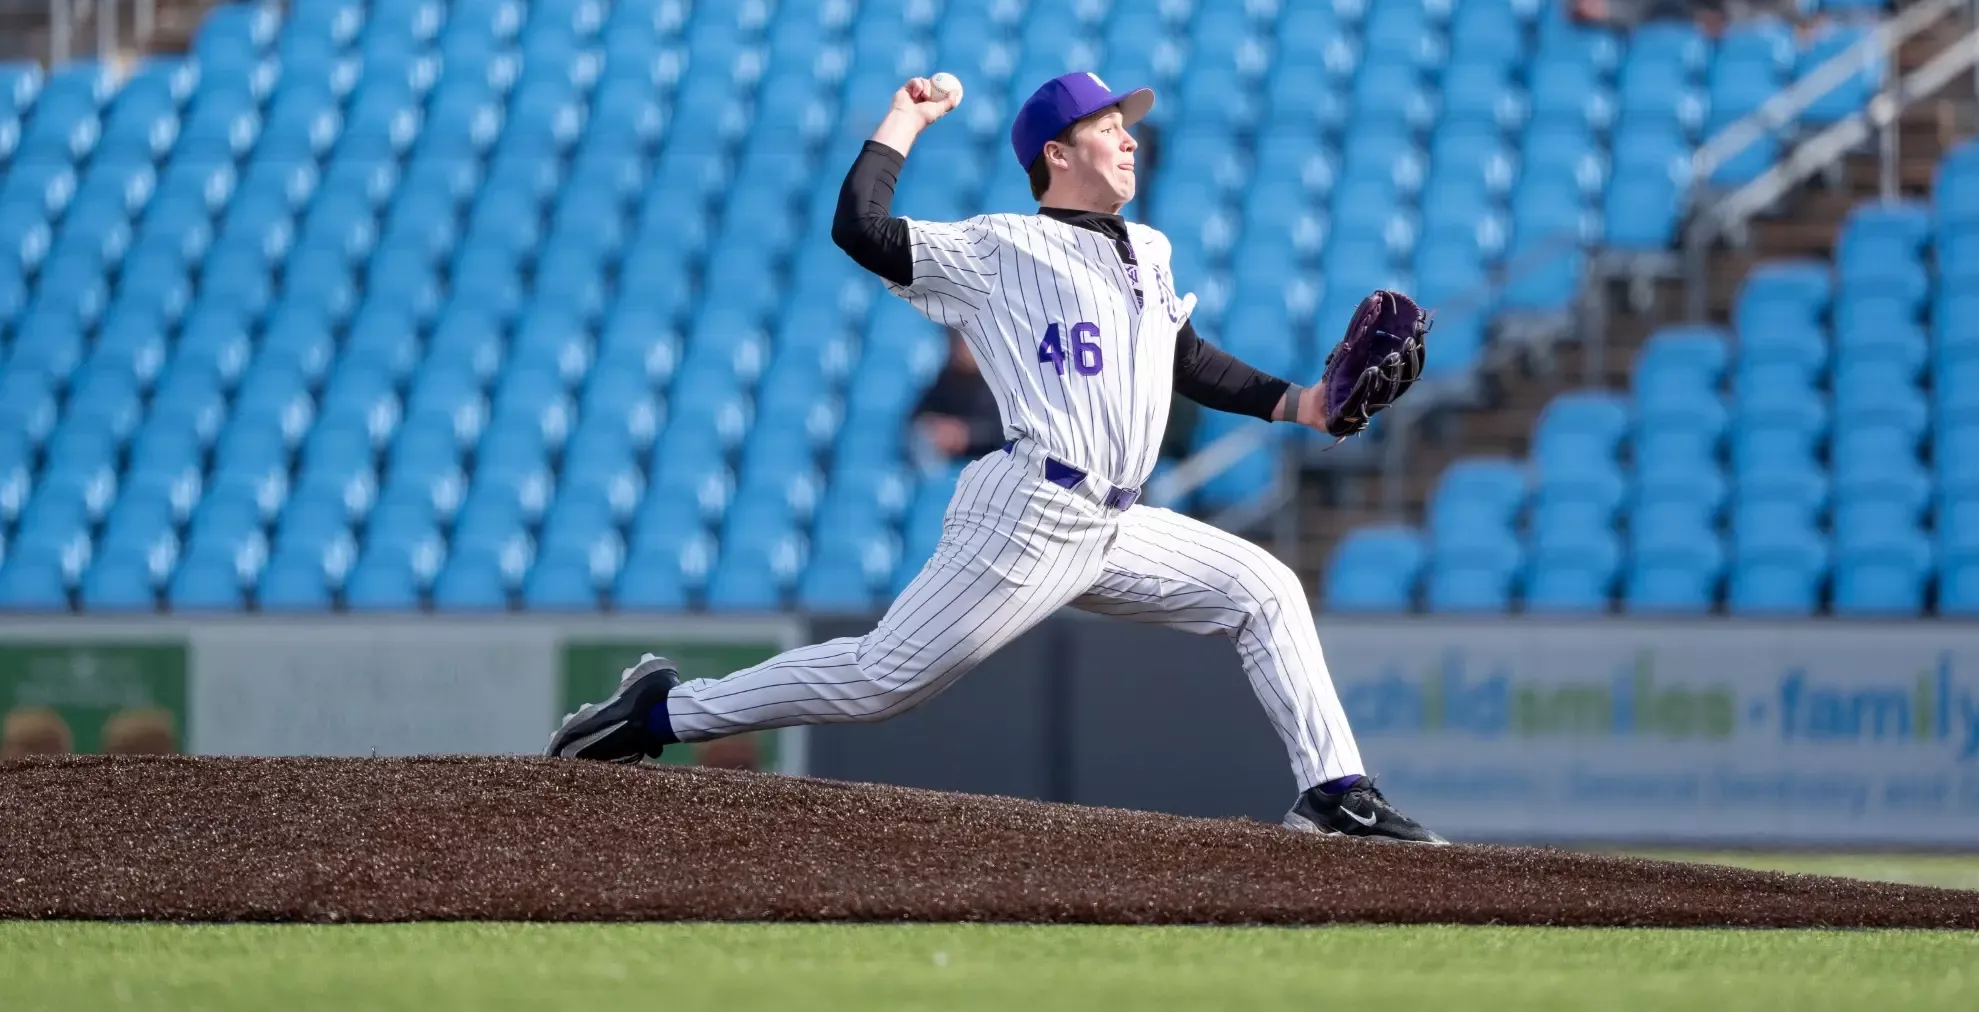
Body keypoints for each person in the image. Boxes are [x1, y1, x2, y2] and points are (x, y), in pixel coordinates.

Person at [548, 71, 1447, 844]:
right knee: (881, 680)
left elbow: (1184, 357)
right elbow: (860, 226)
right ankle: (659, 711)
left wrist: (1304, 404)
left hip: (1116, 520)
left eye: (1128, 127)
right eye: (1109, 126)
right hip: (1031, 512)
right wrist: (905, 118)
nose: (1130, 140)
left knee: (1266, 589)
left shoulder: (1150, 249)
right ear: (1057, 151)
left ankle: (1334, 792)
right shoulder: (998, 247)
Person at [909, 331, 1006, 465]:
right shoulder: (947, 379)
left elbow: (1004, 431)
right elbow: (918, 417)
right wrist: (933, 424)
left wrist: (965, 434)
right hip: (949, 466)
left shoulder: (1002, 382)